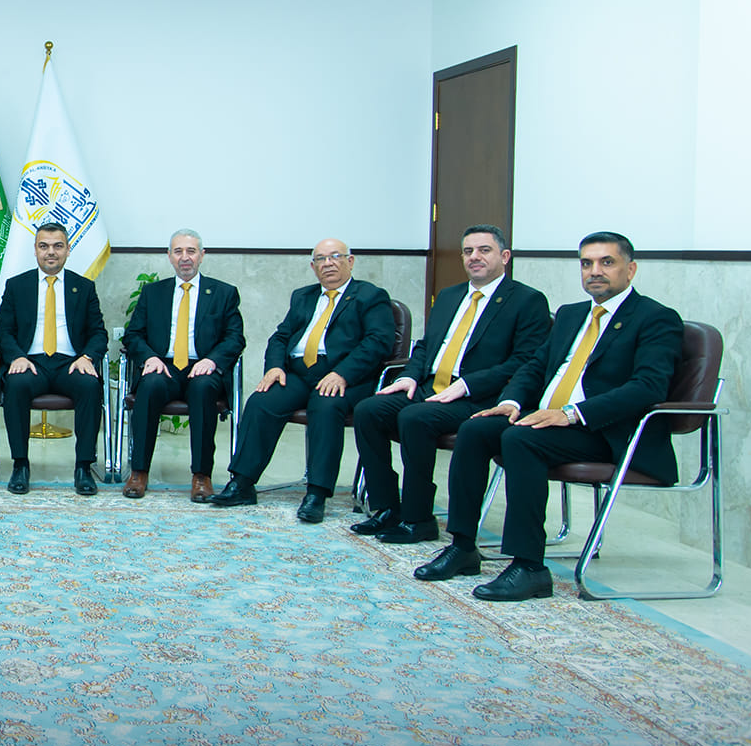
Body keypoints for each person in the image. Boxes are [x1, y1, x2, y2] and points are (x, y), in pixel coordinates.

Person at [416, 232, 683, 602]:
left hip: (606, 431)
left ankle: (529, 567)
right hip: (549, 420)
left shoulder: (656, 318)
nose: (595, 271)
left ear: (631, 269)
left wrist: (571, 414)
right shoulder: (572, 314)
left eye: (607, 262)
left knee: (521, 439)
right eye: (587, 263)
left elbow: (647, 387)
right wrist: (511, 401)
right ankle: (462, 547)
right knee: (476, 428)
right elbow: (534, 365)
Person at [349, 225, 550, 544]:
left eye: (484, 250)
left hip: (479, 397)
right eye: (468, 251)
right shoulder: (449, 296)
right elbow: (425, 346)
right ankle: (387, 507)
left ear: (504, 256)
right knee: (368, 410)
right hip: (431, 388)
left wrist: (469, 384)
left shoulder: (527, 301)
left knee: (415, 418)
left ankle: (418, 518)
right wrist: (409, 376)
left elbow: (525, 360)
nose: (475, 257)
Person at [208, 238, 395, 523]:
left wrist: (342, 373)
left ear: (350, 261)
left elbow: (377, 342)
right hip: (299, 373)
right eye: (320, 259)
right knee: (262, 401)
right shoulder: (303, 296)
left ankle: (317, 494)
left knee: (325, 406)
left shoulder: (370, 296)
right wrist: (274, 367)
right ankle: (242, 483)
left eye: (335, 256)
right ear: (313, 266)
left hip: (344, 376)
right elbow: (281, 336)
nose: (328, 264)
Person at [120, 229, 245, 501]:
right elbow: (133, 335)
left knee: (203, 389)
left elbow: (235, 338)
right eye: (178, 251)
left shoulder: (223, 293)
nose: (184, 257)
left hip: (203, 368)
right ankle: (139, 472)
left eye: (191, 251)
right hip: (162, 366)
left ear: (202, 255)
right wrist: (149, 357)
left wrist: (212, 360)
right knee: (149, 386)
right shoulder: (153, 293)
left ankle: (201, 475)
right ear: (169, 256)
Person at [0, 223, 108, 496]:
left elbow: (98, 333)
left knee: (90, 386)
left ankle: (83, 467)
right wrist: (16, 357)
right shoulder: (17, 285)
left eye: (58, 246)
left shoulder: (83, 287)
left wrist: (87, 357)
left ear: (68, 250)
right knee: (16, 385)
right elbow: (4, 331)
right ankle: (20, 465)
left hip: (70, 362)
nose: (51, 252)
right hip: (30, 361)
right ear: (35, 250)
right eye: (44, 246)